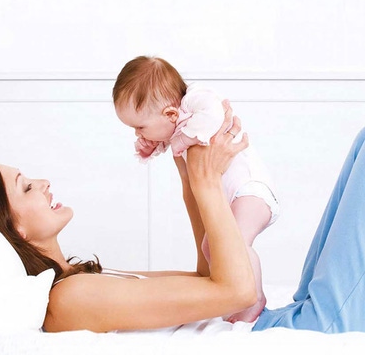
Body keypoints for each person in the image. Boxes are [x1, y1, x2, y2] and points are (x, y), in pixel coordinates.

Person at [0, 120, 365, 334]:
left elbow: (211, 281)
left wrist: (188, 169)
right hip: (309, 333)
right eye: (26, 187)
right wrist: (206, 182)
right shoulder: (68, 298)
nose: (43, 183)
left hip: (285, 323)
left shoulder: (79, 280)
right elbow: (235, 291)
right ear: (12, 227)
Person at [113, 55, 279, 322]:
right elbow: (173, 137)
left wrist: (183, 138)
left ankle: (254, 298)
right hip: (236, 197)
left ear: (169, 113)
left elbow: (213, 115)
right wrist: (152, 147)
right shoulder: (178, 123)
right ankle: (242, 298)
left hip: (251, 190)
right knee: (211, 248)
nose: (137, 133)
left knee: (232, 246)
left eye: (140, 127)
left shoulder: (196, 98)